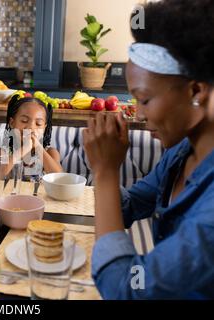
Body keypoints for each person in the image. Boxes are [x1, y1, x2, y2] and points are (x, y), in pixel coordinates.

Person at [83, 0, 214, 299]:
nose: (139, 116)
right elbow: (132, 204)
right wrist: (101, 161)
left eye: (144, 100)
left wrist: (105, 173)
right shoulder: (182, 152)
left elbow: (125, 289)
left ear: (196, 92)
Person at [0, 91, 62, 180]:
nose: (30, 127)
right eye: (24, 121)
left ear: (44, 128)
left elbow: (59, 178)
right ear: (12, 123)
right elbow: (0, 175)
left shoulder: (50, 153)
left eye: (38, 124)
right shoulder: (4, 152)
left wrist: (38, 147)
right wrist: (23, 149)